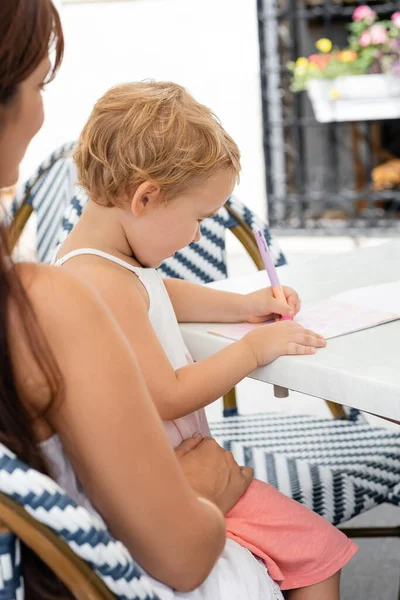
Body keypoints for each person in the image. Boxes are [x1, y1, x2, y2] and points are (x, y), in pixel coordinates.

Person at [0, 2, 288, 599]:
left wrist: (242, 307)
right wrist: (199, 489)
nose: (41, 111)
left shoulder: (69, 286)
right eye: (37, 83)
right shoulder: (46, 302)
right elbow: (181, 556)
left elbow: (153, 291)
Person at [56, 81, 358, 600]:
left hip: (178, 469)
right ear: (145, 196)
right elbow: (168, 394)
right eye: (198, 218)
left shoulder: (107, 266)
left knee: (305, 548)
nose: (197, 236)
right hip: (170, 484)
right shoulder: (102, 282)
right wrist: (255, 349)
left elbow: (164, 294)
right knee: (320, 550)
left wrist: (246, 305)